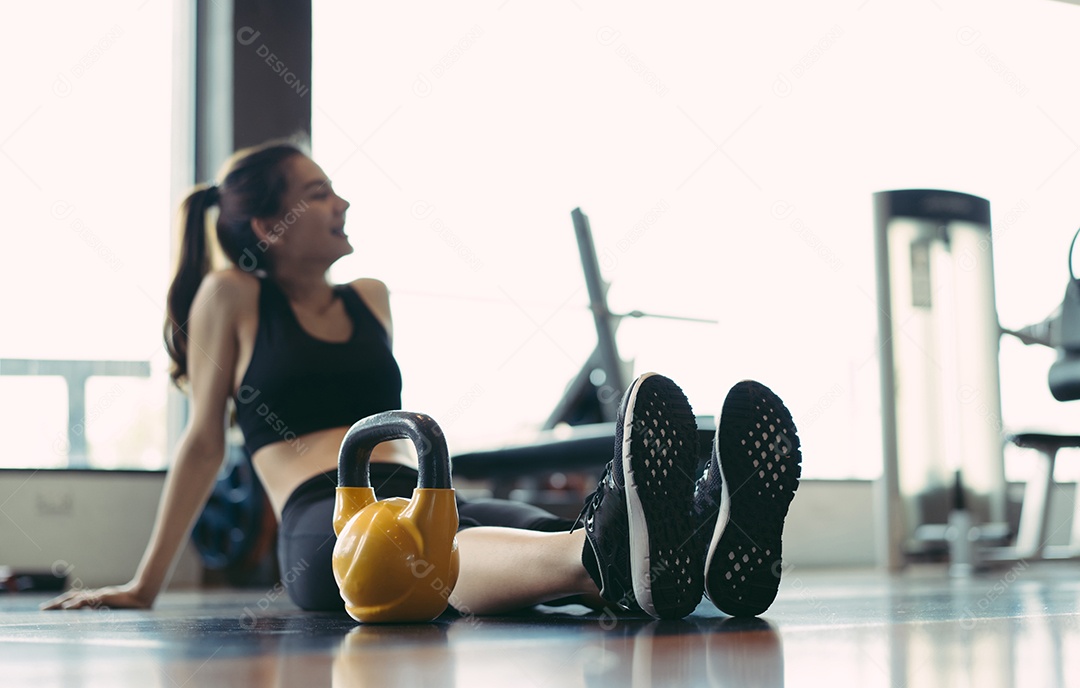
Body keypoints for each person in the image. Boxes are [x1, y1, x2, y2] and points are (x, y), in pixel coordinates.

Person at [42, 139, 801, 620]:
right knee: (445, 554)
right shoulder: (233, 297)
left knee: (538, 536)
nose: (341, 202)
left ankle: (680, 555)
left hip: (426, 492)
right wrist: (144, 584)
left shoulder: (371, 297)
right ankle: (618, 554)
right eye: (316, 192)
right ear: (266, 224)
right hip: (328, 519)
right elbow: (204, 442)